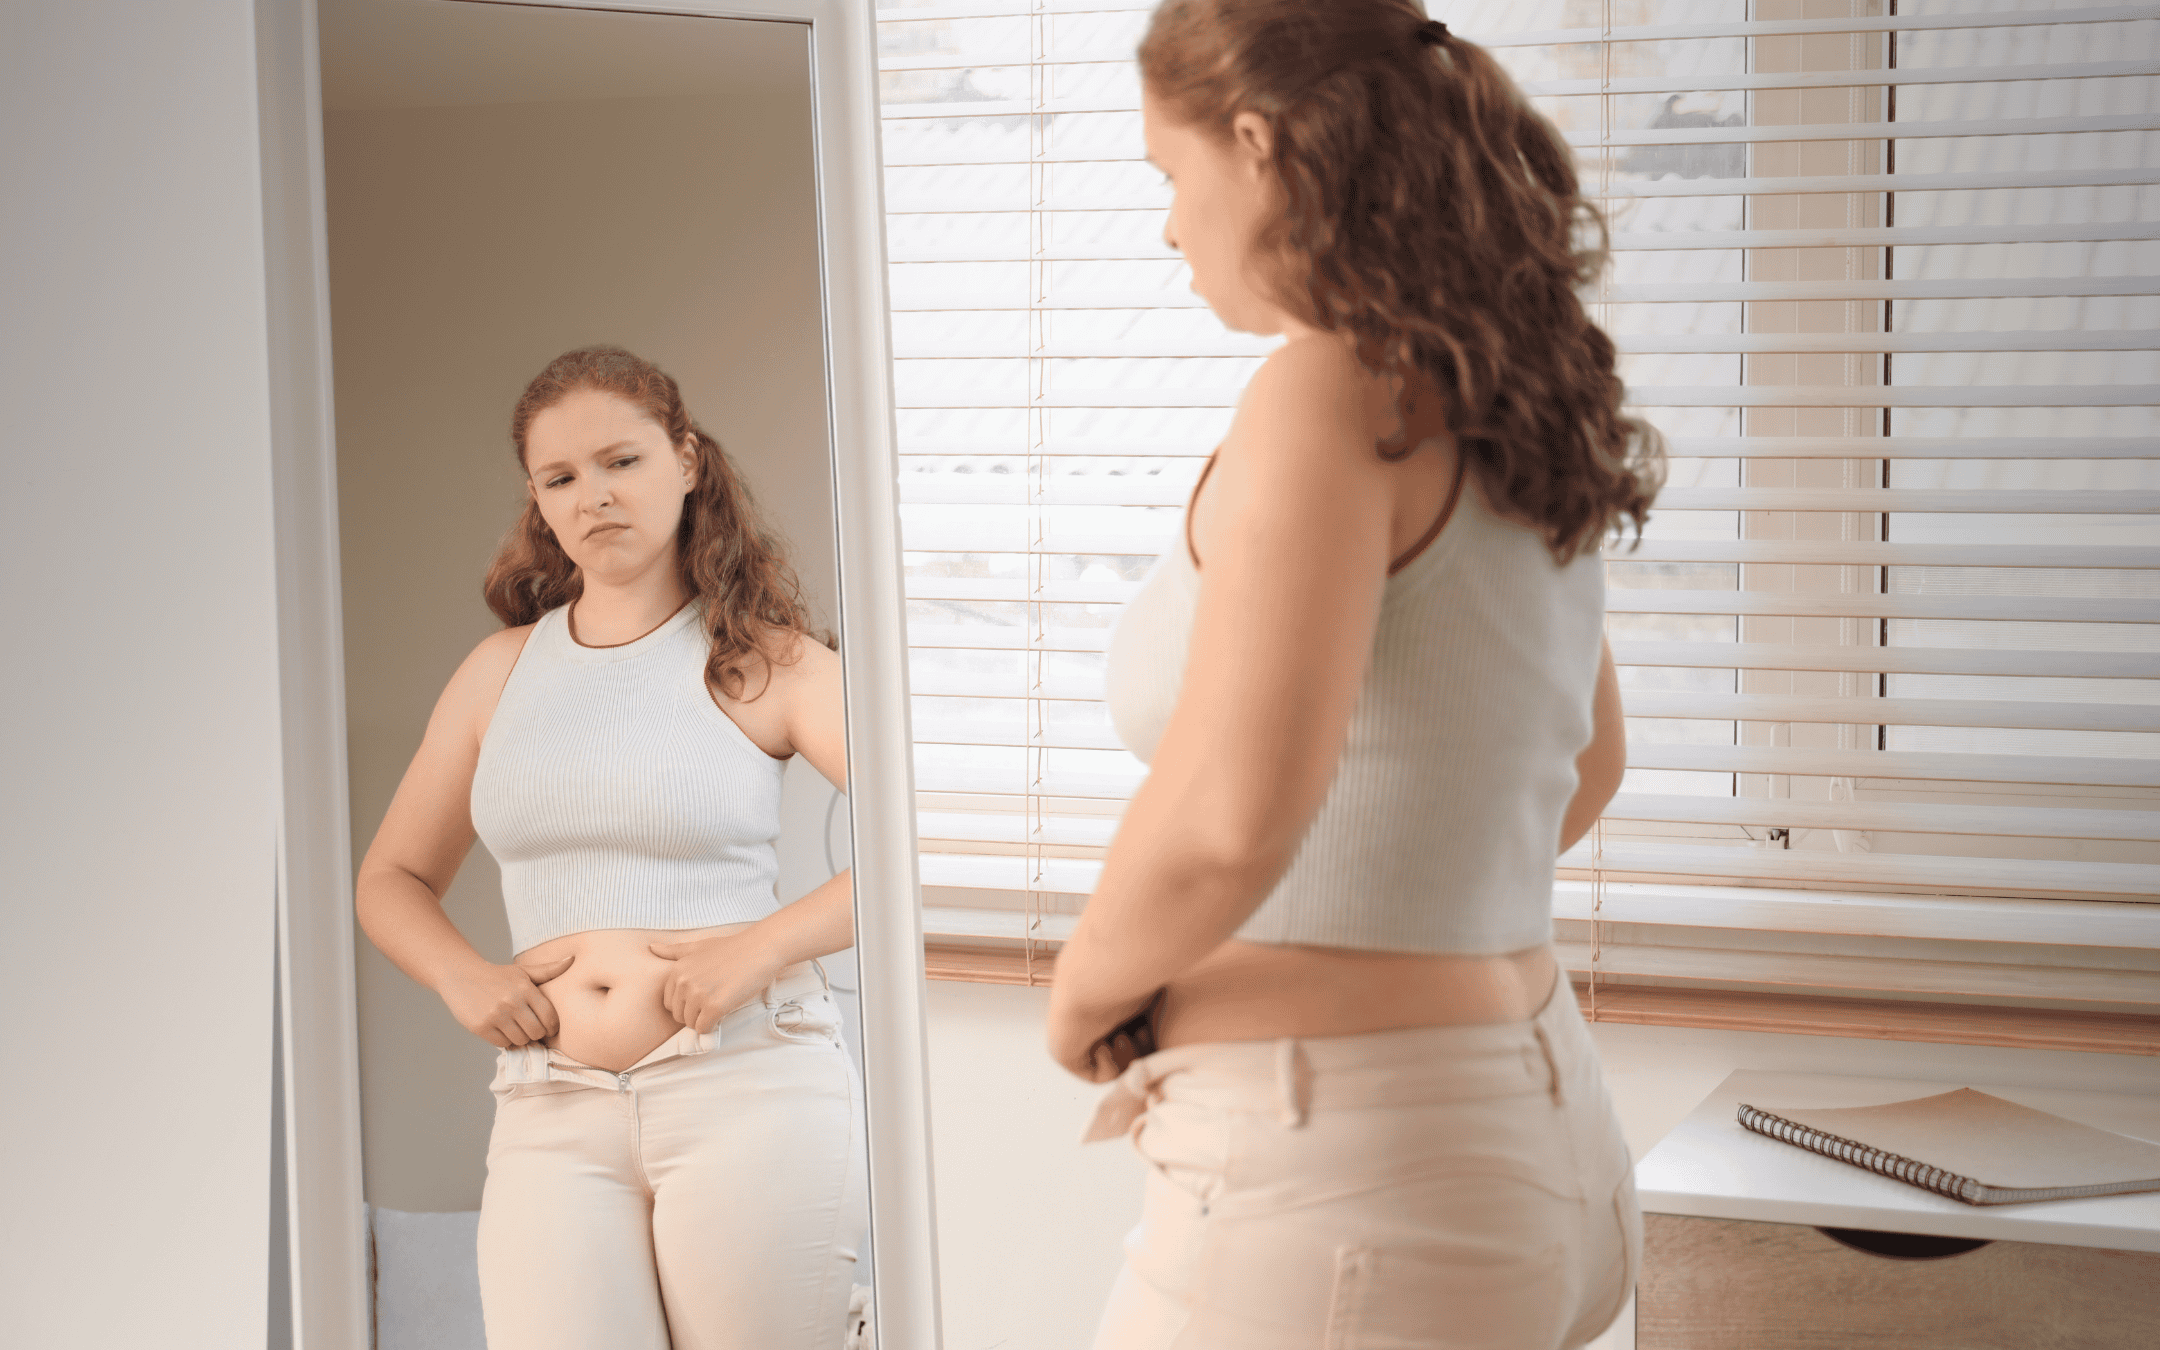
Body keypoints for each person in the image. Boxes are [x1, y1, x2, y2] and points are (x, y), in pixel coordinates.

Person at [1044, 4, 1665, 1347]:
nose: (1165, 227)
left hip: (1353, 1182)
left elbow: (1227, 817)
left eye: (1169, 175)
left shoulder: (1326, 391)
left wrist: (1086, 985)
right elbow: (1589, 760)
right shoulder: (1506, 394)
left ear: (1258, 146)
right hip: (1535, 1139)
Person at [353, 346, 866, 1350]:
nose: (595, 495)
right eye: (562, 478)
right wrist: (464, 978)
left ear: (685, 461)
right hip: (552, 1106)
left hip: (747, 1085)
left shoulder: (770, 663)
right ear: (538, 502)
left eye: (621, 461)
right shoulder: (498, 673)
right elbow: (391, 878)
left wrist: (760, 947)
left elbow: (915, 843)